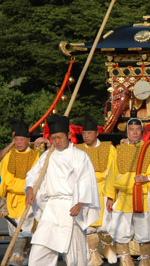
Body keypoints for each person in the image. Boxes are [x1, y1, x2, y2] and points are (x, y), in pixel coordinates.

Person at [25, 115, 101, 266]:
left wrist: (80, 203)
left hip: (72, 208)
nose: (57, 141)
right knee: (38, 253)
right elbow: (32, 175)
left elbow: (86, 181)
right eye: (53, 138)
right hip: (51, 209)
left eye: (60, 137)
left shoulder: (80, 156)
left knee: (76, 257)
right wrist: (29, 190)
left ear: (69, 135)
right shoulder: (47, 156)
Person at [104, 118, 150, 266]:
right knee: (121, 230)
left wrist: (146, 178)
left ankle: (144, 261)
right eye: (131, 130)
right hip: (123, 196)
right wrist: (110, 196)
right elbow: (111, 174)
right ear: (127, 132)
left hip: (143, 196)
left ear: (141, 131)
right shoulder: (119, 150)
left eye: (137, 129)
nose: (134, 132)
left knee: (145, 230)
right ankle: (125, 259)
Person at [75, 114, 117, 266]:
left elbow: (114, 172)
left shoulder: (108, 148)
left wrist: (112, 194)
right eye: (84, 133)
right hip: (85, 192)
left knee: (105, 226)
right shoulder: (77, 149)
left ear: (97, 133)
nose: (86, 136)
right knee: (89, 226)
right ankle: (93, 255)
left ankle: (109, 248)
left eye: (89, 133)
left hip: (104, 190)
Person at [0, 118, 40, 265]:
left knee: (24, 229)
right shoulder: (9, 155)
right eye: (16, 139)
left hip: (28, 199)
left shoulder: (36, 156)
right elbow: (3, 178)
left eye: (21, 139)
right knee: (13, 231)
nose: (18, 142)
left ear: (27, 140)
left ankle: (18, 256)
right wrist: (0, 198)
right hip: (11, 200)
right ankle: (24, 253)